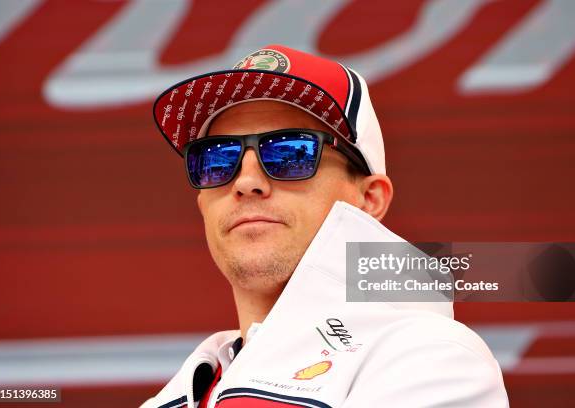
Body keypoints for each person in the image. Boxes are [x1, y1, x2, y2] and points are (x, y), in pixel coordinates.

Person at [143, 45, 508, 408]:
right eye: (217, 158)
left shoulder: (436, 357)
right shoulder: (178, 393)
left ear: (369, 199)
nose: (245, 180)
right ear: (202, 204)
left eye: (290, 151)